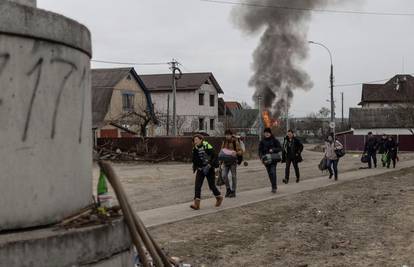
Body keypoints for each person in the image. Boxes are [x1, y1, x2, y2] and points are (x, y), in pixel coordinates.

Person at [190, 134, 223, 210]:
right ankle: (196, 204)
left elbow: (214, 156)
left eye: (197, 139)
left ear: (201, 140)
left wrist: (210, 165)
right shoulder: (194, 149)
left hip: (209, 168)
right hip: (201, 169)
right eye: (194, 140)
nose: (195, 141)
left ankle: (219, 197)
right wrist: (196, 167)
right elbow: (195, 160)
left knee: (211, 186)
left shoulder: (207, 145)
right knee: (197, 185)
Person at [259, 128, 282, 193]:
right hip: (266, 159)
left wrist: (273, 150)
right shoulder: (262, 141)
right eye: (265, 132)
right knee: (269, 173)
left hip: (273, 159)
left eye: (268, 132)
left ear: (270, 133)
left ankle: (274, 187)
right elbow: (260, 150)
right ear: (264, 133)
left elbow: (280, 148)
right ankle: (273, 185)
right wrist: (261, 158)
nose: (266, 133)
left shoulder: (274, 140)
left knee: (273, 172)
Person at [221, 130, 243, 198]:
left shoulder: (235, 142)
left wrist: (236, 153)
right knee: (224, 176)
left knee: (233, 176)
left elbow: (241, 151)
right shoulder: (224, 142)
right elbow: (221, 151)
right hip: (225, 162)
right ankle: (228, 190)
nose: (227, 136)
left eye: (228, 135)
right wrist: (220, 161)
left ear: (231, 135)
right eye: (226, 135)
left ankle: (233, 191)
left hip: (233, 162)